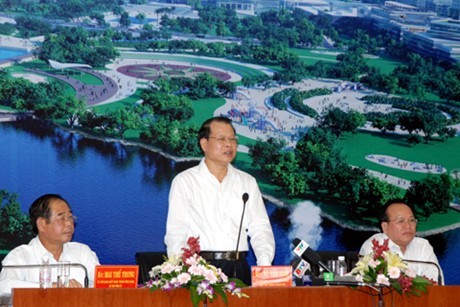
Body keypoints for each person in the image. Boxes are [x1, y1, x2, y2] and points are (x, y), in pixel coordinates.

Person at [165, 116, 275, 285]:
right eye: (221, 139)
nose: (228, 144)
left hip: (239, 269)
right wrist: (181, 273)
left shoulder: (247, 182)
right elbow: (176, 233)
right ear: (204, 144)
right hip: (201, 269)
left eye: (232, 139)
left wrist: (265, 267)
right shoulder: (185, 181)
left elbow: (260, 228)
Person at [0, 194, 100, 293]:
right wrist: (48, 288)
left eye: (70, 217)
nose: (69, 223)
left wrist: (80, 291)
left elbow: (103, 286)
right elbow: (3, 286)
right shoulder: (21, 256)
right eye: (61, 218)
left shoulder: (82, 252)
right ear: (42, 224)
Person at [359, 199, 444, 284]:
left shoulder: (423, 246)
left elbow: (435, 283)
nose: (408, 226)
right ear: (385, 227)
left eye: (412, 220)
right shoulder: (373, 246)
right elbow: (371, 286)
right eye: (400, 221)